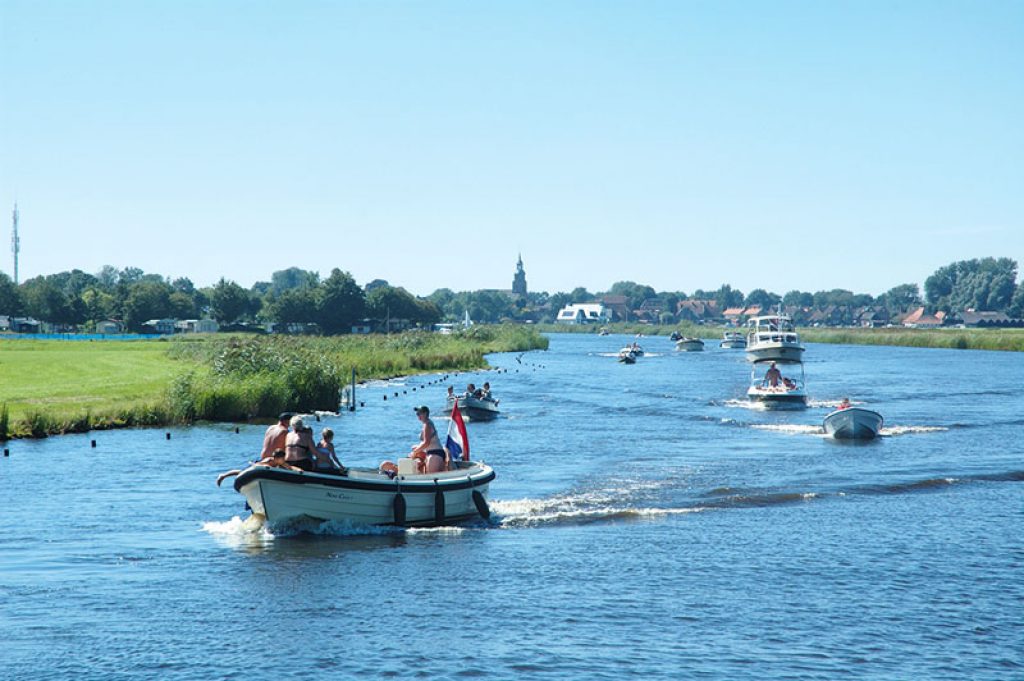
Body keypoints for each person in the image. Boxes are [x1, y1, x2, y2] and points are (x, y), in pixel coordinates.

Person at [216, 449, 301, 486]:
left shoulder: (281, 462)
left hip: (263, 469)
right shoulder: (269, 461)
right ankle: (223, 476)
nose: (283, 460)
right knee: (240, 472)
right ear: (276, 458)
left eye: (283, 459)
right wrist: (261, 465)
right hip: (255, 465)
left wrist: (298, 470)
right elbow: (258, 464)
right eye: (282, 459)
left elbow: (289, 467)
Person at [411, 405, 446, 474]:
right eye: (417, 414)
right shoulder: (427, 423)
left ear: (425, 414)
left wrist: (416, 451)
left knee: (432, 477)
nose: (418, 416)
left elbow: (426, 443)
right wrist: (417, 448)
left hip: (435, 454)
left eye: (419, 413)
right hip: (435, 453)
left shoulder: (427, 424)